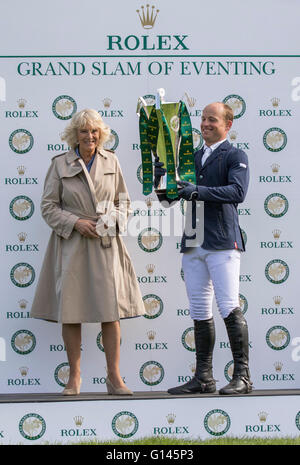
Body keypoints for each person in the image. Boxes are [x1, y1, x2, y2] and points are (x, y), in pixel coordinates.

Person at [30, 109, 145, 396]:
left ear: (101, 134)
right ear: (75, 135)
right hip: (72, 244)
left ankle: (114, 378)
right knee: (71, 312)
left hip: (105, 242)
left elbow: (124, 204)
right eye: (84, 131)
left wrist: (107, 221)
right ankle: (74, 378)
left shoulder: (112, 160)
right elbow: (48, 207)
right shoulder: (59, 164)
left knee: (111, 311)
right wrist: (75, 222)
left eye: (95, 131)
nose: (90, 136)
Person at [154, 102, 252, 395]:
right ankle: (204, 377)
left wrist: (196, 191)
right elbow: (168, 200)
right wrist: (162, 176)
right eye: (203, 119)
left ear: (228, 124)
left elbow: (237, 192)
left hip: (222, 241)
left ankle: (243, 376)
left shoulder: (235, 155)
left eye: (213, 119)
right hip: (193, 241)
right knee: (199, 309)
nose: (206, 124)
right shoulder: (192, 158)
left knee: (228, 306)